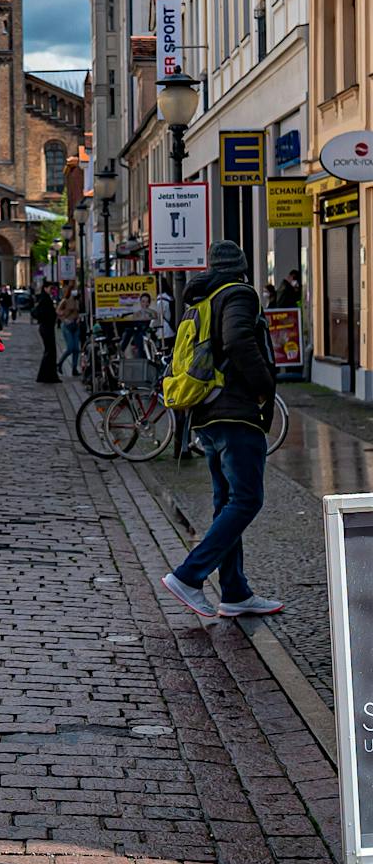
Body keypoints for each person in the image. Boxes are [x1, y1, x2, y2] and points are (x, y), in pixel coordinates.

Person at [160, 240, 284, 622]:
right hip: (235, 412)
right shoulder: (238, 295)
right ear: (243, 268)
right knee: (246, 500)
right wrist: (264, 385)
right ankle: (189, 575)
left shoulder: (200, 299)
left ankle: (235, 592)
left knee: (226, 503)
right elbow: (238, 341)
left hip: (206, 412)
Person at [34, 284, 61, 383]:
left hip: (47, 327)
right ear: (45, 288)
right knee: (50, 351)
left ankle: (48, 375)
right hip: (46, 327)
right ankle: (46, 376)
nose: (52, 290)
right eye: (50, 288)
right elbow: (45, 313)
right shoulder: (45, 299)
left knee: (50, 351)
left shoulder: (45, 298)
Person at [58, 285, 83, 376]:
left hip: (75, 325)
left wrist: (78, 318)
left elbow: (78, 312)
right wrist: (64, 319)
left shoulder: (77, 301)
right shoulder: (65, 301)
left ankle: (74, 368)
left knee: (76, 349)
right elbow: (58, 311)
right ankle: (60, 363)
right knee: (70, 348)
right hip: (67, 325)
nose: (76, 291)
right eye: (74, 290)